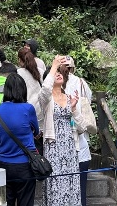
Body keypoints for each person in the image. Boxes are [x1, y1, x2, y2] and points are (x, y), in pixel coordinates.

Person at [39, 56, 84, 206]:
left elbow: (82, 127)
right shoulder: (47, 100)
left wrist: (74, 109)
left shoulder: (69, 97)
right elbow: (44, 89)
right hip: (54, 147)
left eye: (60, 72)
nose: (58, 74)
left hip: (70, 148)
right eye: (55, 73)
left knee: (72, 184)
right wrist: (53, 66)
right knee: (56, 184)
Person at [0, 74, 40, 206]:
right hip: (24, 165)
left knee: (5, 202)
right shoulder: (28, 108)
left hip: (3, 165)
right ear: (23, 89)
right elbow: (36, 131)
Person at [64, 57, 94, 206]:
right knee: (81, 183)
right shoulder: (81, 82)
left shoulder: (57, 84)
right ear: (73, 68)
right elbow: (89, 98)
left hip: (65, 134)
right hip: (81, 132)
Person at [16, 47, 43, 122]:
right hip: (40, 109)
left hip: (27, 109)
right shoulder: (40, 71)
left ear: (19, 59)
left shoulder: (19, 72)